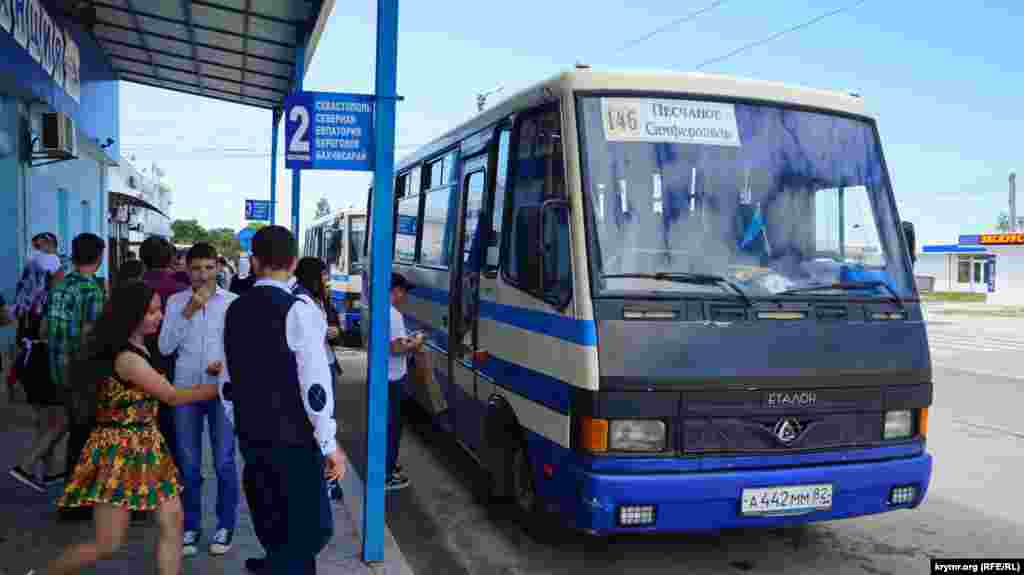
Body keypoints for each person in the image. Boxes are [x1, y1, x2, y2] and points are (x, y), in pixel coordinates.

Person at [24, 282, 220, 575]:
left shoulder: (136, 346)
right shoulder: (128, 358)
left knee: (173, 520)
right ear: (131, 315)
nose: (159, 316)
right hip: (120, 451)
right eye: (151, 311)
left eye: (159, 309)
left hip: (145, 444)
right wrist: (224, 386)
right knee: (108, 543)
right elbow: (172, 396)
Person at [222, 225, 345, 574]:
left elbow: (227, 381)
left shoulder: (234, 309)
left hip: (253, 435)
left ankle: (274, 562)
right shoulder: (300, 310)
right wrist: (328, 443)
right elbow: (315, 388)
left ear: (254, 261)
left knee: (270, 513)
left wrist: (241, 422)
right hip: (294, 439)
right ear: (293, 263)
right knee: (309, 527)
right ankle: (280, 566)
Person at [158, 242, 239, 557]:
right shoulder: (176, 302)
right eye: (196, 268)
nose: (203, 275)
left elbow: (242, 349)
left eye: (208, 268)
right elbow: (165, 347)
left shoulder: (233, 303)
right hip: (186, 392)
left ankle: (225, 524)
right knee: (189, 464)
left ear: (218, 268)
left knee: (224, 461)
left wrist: (226, 365)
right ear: (185, 269)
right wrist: (188, 311)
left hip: (221, 391)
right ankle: (190, 526)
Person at [44, 233, 107, 522]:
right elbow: (91, 335)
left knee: (76, 434)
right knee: (83, 437)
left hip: (58, 368)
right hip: (81, 372)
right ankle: (76, 500)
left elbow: (47, 328)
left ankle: (73, 496)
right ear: (99, 257)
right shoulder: (91, 290)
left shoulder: (61, 285)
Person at [8, 233, 66, 491]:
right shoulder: (48, 295)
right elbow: (47, 331)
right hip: (44, 356)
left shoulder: (25, 286)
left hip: (26, 354)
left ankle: (50, 473)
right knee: (62, 417)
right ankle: (27, 466)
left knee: (44, 417)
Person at [293, 257, 344, 503]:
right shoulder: (300, 301)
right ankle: (326, 479)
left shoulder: (319, 298)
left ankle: (329, 478)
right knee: (319, 420)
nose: (327, 280)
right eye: (324, 275)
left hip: (328, 363)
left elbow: (334, 325)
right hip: (316, 369)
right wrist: (326, 330)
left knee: (326, 418)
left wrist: (335, 330)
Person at [140, 237, 190, 472]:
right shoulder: (181, 291)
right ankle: (169, 473)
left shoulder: (132, 288)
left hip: (138, 362)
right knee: (171, 426)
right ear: (171, 259)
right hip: (172, 365)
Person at [386, 273, 424, 491]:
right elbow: (397, 347)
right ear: (396, 290)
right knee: (392, 426)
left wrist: (406, 340)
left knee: (389, 425)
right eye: (404, 291)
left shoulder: (382, 311)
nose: (405, 296)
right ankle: (386, 474)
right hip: (393, 378)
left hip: (387, 376)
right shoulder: (393, 315)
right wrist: (416, 342)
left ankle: (387, 466)